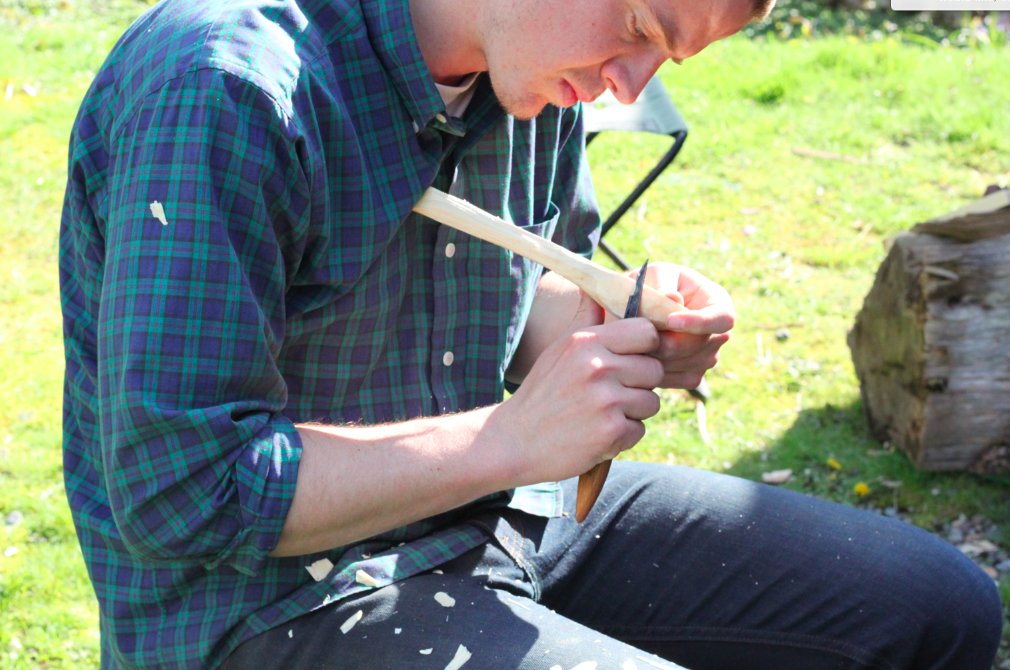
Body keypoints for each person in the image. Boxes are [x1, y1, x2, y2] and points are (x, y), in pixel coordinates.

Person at [59, 0, 1003, 666]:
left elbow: (529, 299)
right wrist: (510, 438)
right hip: (262, 607)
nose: (627, 84)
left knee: (938, 607)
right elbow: (183, 496)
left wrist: (618, 321)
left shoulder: (536, 75)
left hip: (495, 519)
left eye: (667, 59)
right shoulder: (225, 82)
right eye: (638, 25)